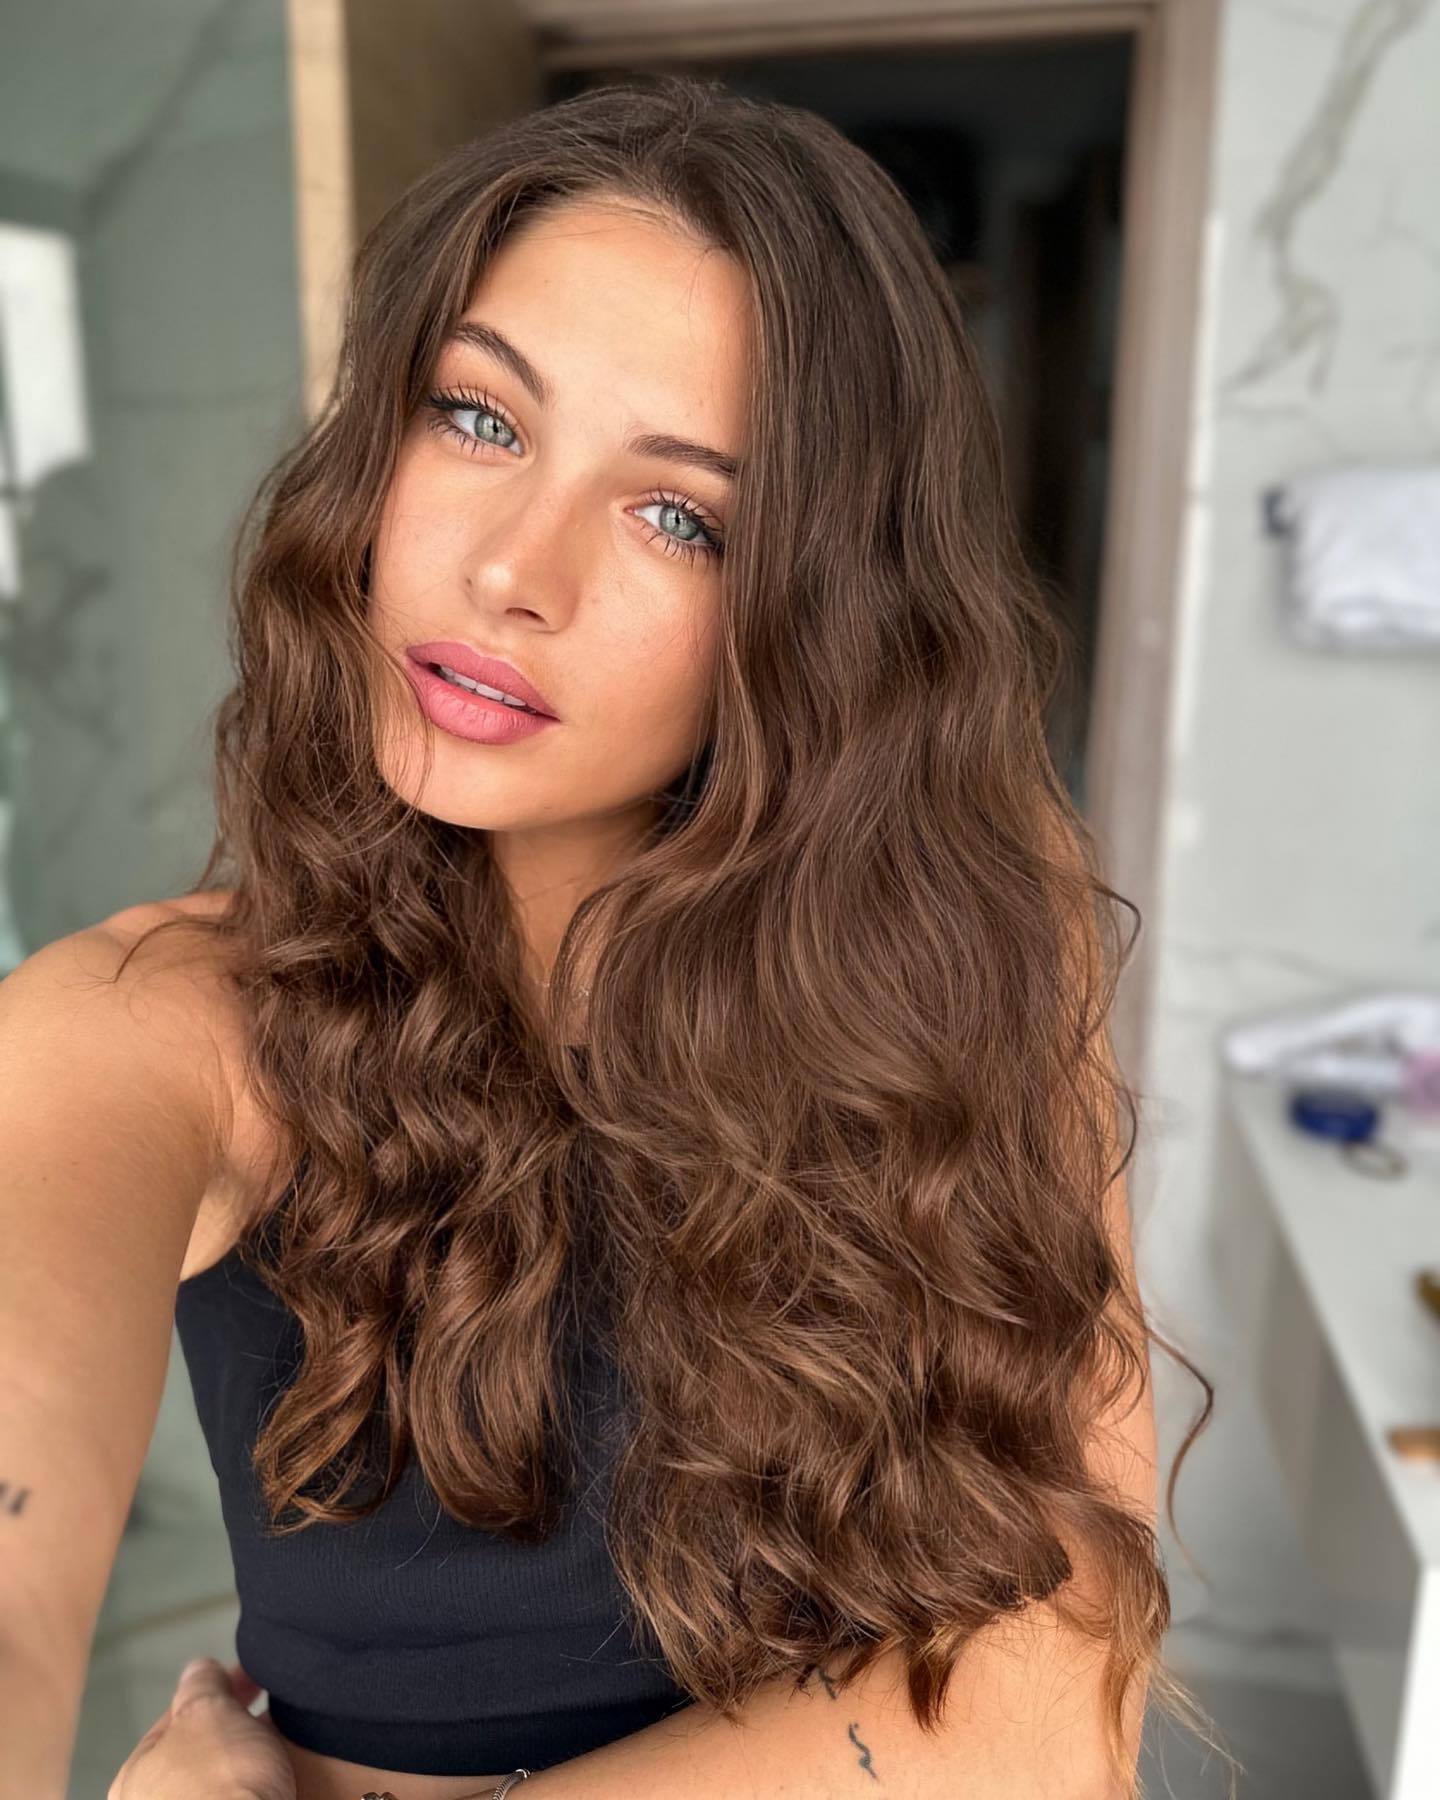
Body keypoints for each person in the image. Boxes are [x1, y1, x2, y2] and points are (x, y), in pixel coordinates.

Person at [0, 72, 1221, 1800]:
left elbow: (1072, 1674)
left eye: (679, 515)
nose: (516, 568)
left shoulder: (966, 956)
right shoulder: (160, 1027)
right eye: (478, 419)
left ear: (812, 620)